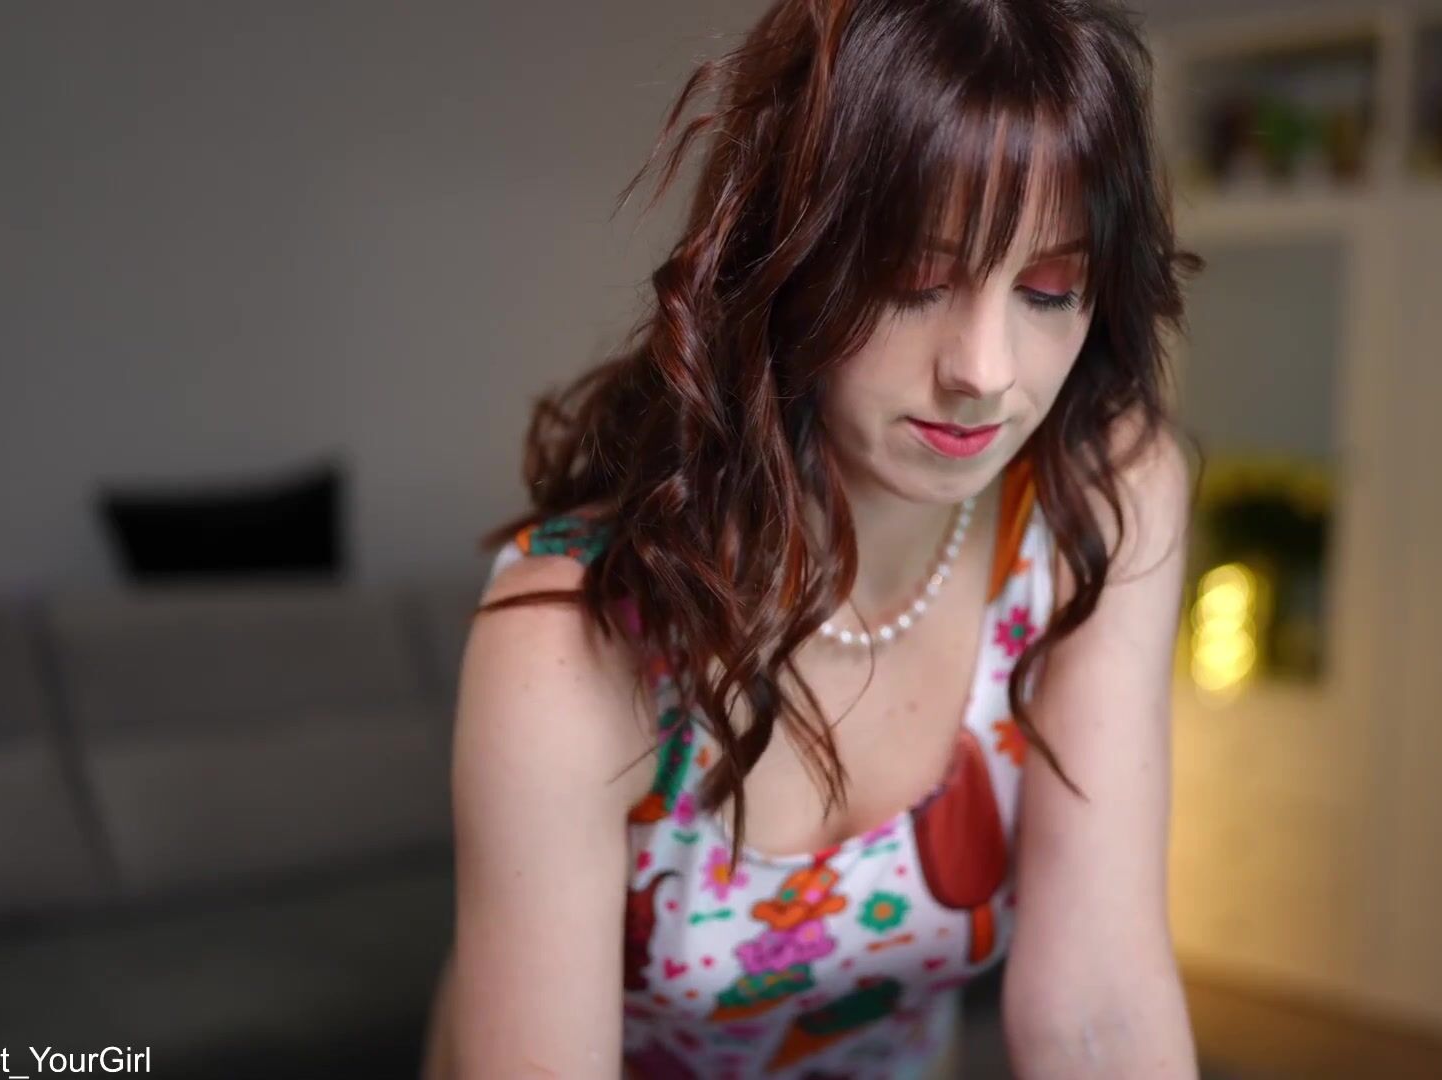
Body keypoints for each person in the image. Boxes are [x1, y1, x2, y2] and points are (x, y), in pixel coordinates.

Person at [421, 0, 1204, 1075]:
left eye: (1047, 290)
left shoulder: (1099, 497)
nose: (983, 371)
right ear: (782, 259)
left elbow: (1098, 1003)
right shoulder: (565, 634)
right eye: (915, 280)